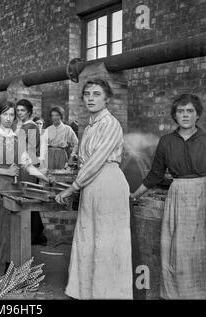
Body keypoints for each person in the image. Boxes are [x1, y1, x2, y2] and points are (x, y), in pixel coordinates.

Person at [55, 79, 132, 299]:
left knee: (108, 241)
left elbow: (96, 161)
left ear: (107, 98)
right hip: (91, 185)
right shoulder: (90, 125)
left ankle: (108, 294)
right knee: (89, 237)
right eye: (87, 93)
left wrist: (71, 189)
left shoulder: (110, 124)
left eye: (96, 94)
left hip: (108, 184)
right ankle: (88, 291)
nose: (90, 97)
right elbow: (82, 158)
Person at [131, 94, 206, 299]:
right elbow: (155, 175)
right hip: (178, 197)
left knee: (200, 248)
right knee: (178, 250)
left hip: (203, 197)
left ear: (197, 114)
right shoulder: (166, 142)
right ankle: (177, 293)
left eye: (190, 111)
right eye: (180, 111)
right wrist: (134, 195)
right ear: (175, 115)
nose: (185, 115)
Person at [0, 101, 51, 284]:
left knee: (7, 225)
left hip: (9, 189)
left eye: (12, 115)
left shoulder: (17, 140)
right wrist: (6, 171)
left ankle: (6, 264)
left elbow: (28, 166)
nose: (8, 118)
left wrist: (47, 179)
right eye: (5, 114)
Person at [15, 99, 47, 246]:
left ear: (29, 111)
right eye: (18, 110)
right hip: (22, 164)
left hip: (27, 166)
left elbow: (32, 150)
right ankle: (36, 232)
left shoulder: (30, 127)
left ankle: (35, 234)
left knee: (28, 199)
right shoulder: (23, 126)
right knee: (26, 198)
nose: (19, 112)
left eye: (22, 110)